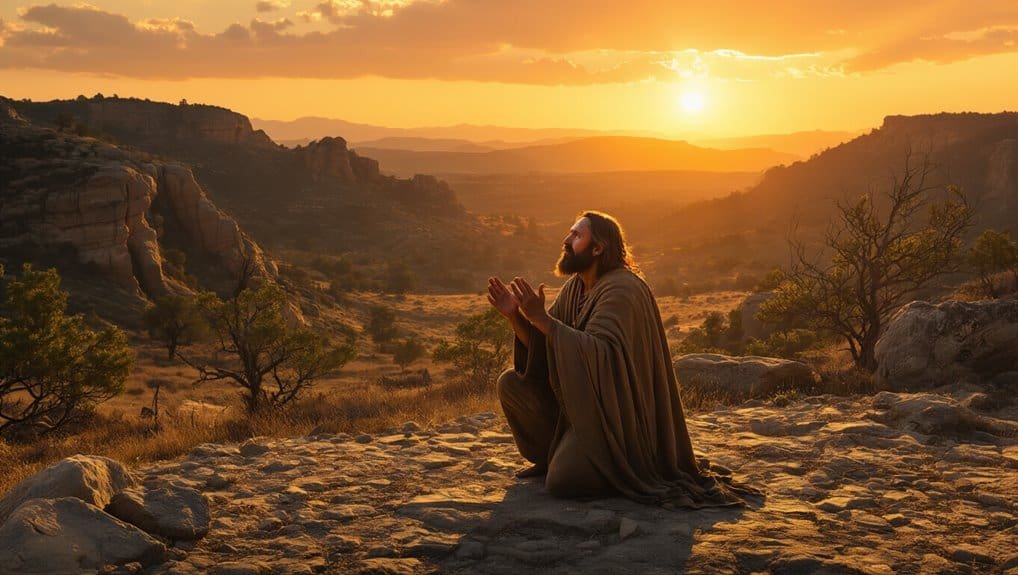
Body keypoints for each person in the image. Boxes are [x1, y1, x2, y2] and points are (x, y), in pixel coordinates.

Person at [487, 210, 755, 507]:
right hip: (581, 409)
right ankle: (554, 454)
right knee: (511, 383)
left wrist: (542, 319)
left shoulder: (623, 289)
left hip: (617, 420)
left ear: (598, 248)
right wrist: (516, 317)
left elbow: (606, 358)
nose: (566, 240)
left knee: (563, 482)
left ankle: (610, 468)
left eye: (576, 235)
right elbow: (548, 349)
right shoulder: (575, 287)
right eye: (569, 233)